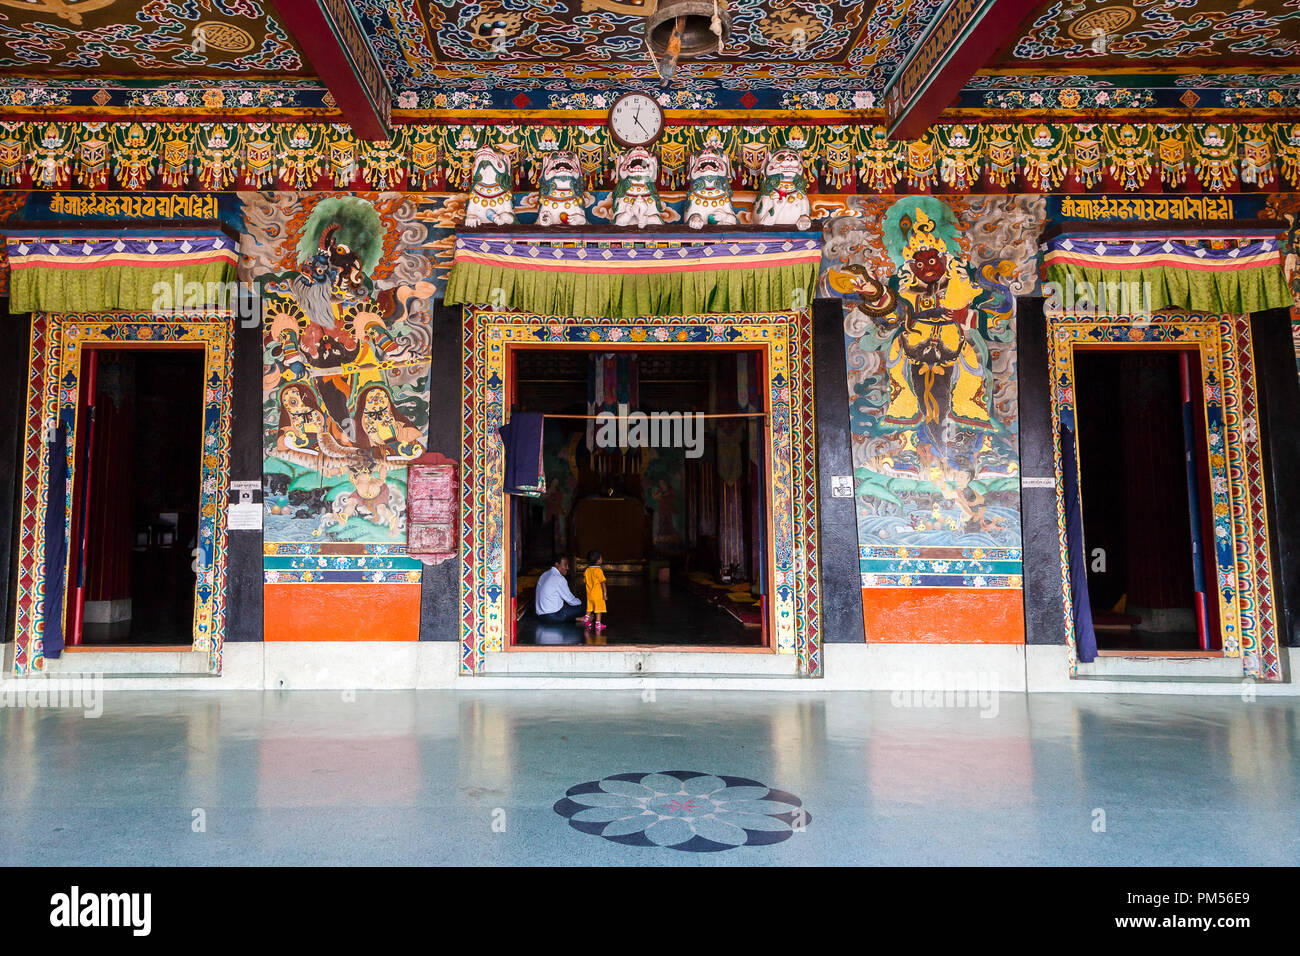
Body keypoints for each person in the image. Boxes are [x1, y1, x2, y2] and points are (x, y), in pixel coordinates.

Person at [534, 555, 584, 624]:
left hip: (540, 616)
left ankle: (578, 618)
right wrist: (581, 604)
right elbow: (571, 600)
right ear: (557, 565)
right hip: (552, 616)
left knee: (568, 607)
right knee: (584, 608)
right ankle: (583, 617)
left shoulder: (544, 574)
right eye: (565, 565)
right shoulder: (559, 578)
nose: (568, 568)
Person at [583, 550, 608, 631]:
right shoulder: (598, 570)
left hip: (589, 594)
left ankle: (586, 618)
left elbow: (585, 581)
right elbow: (603, 582)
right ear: (597, 560)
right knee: (598, 610)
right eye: (601, 557)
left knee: (589, 608)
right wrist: (604, 593)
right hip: (597, 594)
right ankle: (598, 624)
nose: (602, 559)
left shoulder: (587, 571)